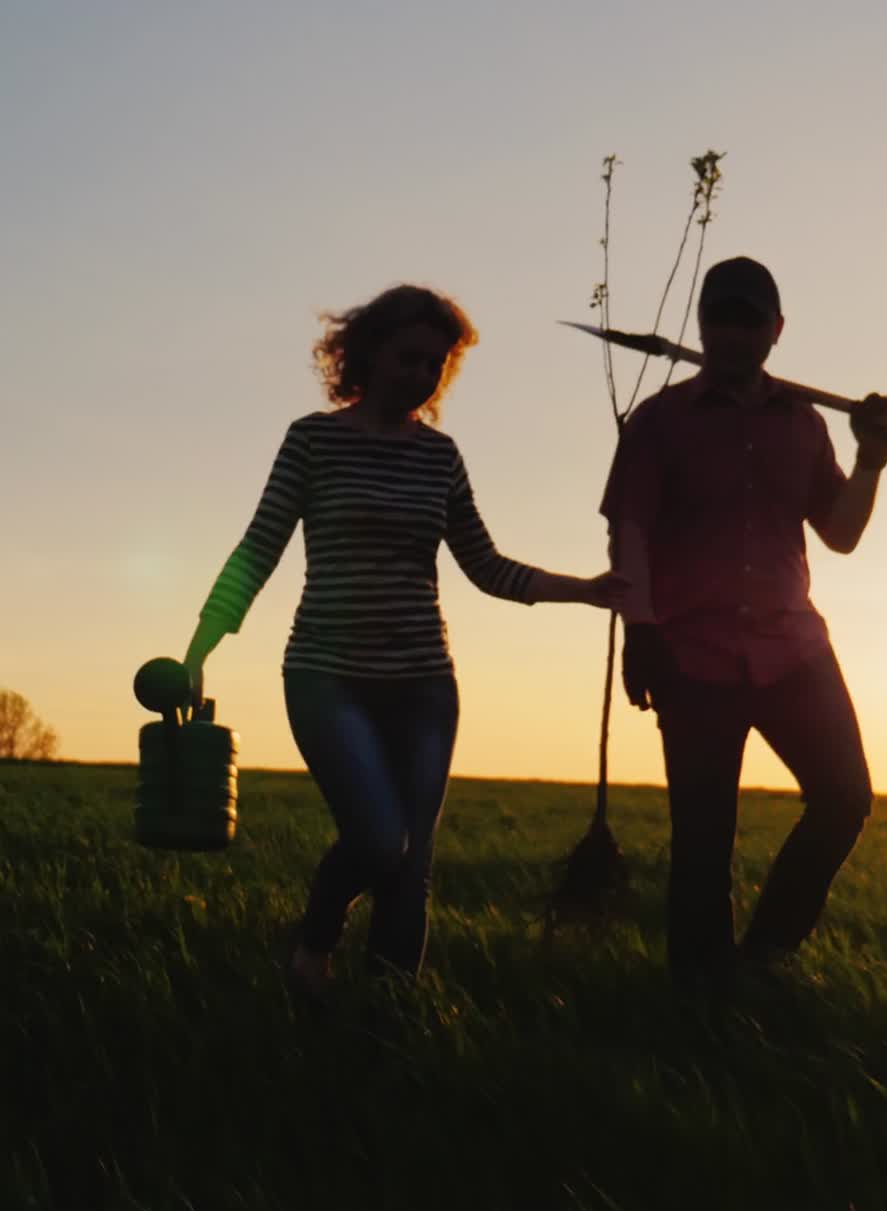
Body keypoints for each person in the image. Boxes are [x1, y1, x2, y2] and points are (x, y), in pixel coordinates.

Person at [183, 284, 626, 999]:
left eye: (437, 365)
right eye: (410, 358)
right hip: (328, 676)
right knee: (376, 841)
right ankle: (311, 946)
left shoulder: (440, 457)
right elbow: (258, 548)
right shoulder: (313, 441)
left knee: (411, 869)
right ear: (366, 355)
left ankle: (388, 1020)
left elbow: (485, 565)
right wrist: (201, 645)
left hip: (424, 685)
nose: (423, 376)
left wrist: (585, 588)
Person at [600, 256, 887, 991]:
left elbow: (840, 533)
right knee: (702, 843)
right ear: (701, 327)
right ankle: (701, 998)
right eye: (720, 319)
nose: (733, 334)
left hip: (794, 649)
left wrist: (871, 459)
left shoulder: (803, 425)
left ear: (776, 329)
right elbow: (629, 532)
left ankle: (767, 953)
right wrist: (638, 632)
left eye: (749, 320)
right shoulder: (659, 423)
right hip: (690, 654)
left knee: (845, 799)